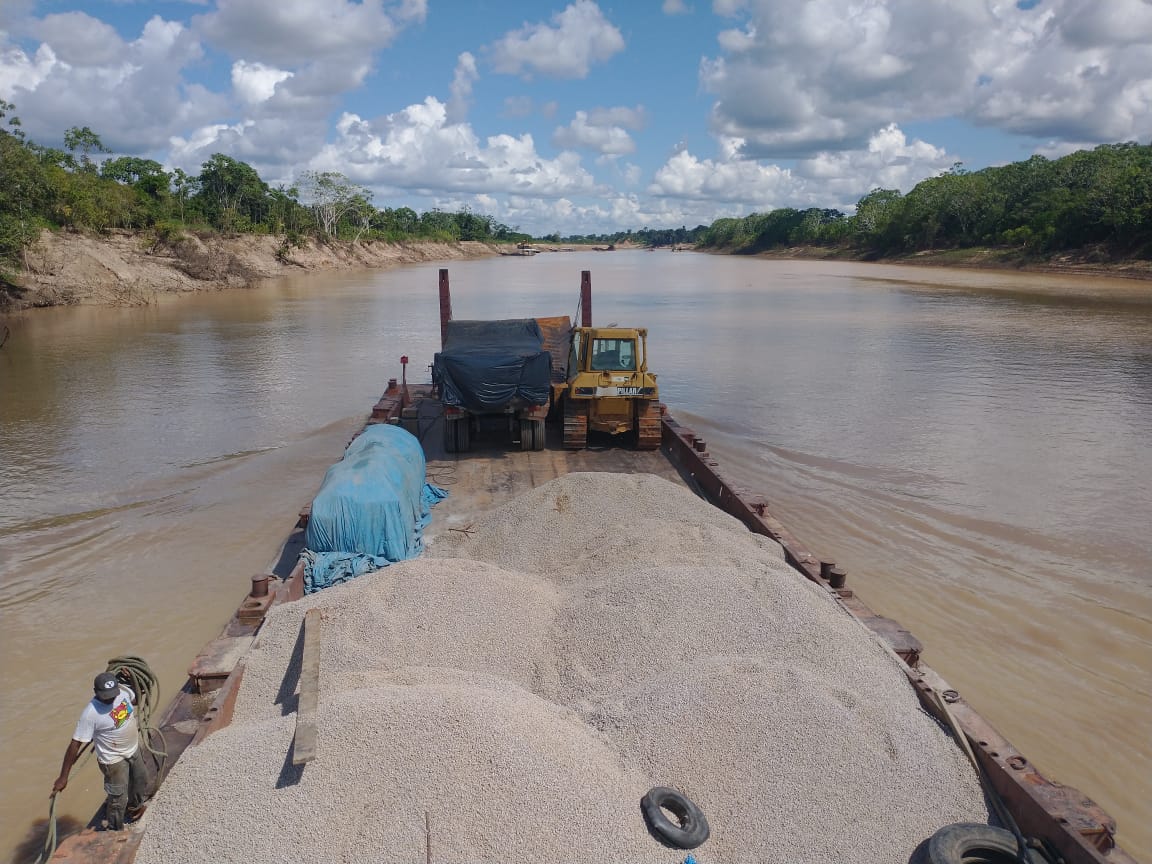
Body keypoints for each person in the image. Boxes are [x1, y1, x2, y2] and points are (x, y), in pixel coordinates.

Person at [53, 672, 150, 830]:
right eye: (106, 696)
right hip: (113, 759)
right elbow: (75, 745)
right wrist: (63, 777)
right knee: (118, 797)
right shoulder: (90, 714)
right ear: (95, 691)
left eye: (113, 695)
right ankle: (115, 827)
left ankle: (135, 809)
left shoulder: (122, 692)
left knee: (141, 779)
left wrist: (133, 679)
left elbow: (136, 700)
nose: (111, 699)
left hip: (133, 749)